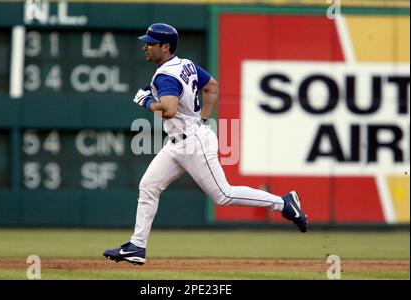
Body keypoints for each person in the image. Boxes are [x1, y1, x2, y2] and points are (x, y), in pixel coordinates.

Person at [103, 23, 308, 265]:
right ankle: (137, 246)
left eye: (151, 43)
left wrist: (146, 101)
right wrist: (202, 118)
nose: (145, 47)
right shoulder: (185, 64)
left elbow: (168, 111)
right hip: (179, 142)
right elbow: (212, 86)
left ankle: (283, 203)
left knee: (223, 194)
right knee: (149, 185)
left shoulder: (166, 75)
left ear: (165, 47)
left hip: (192, 143)